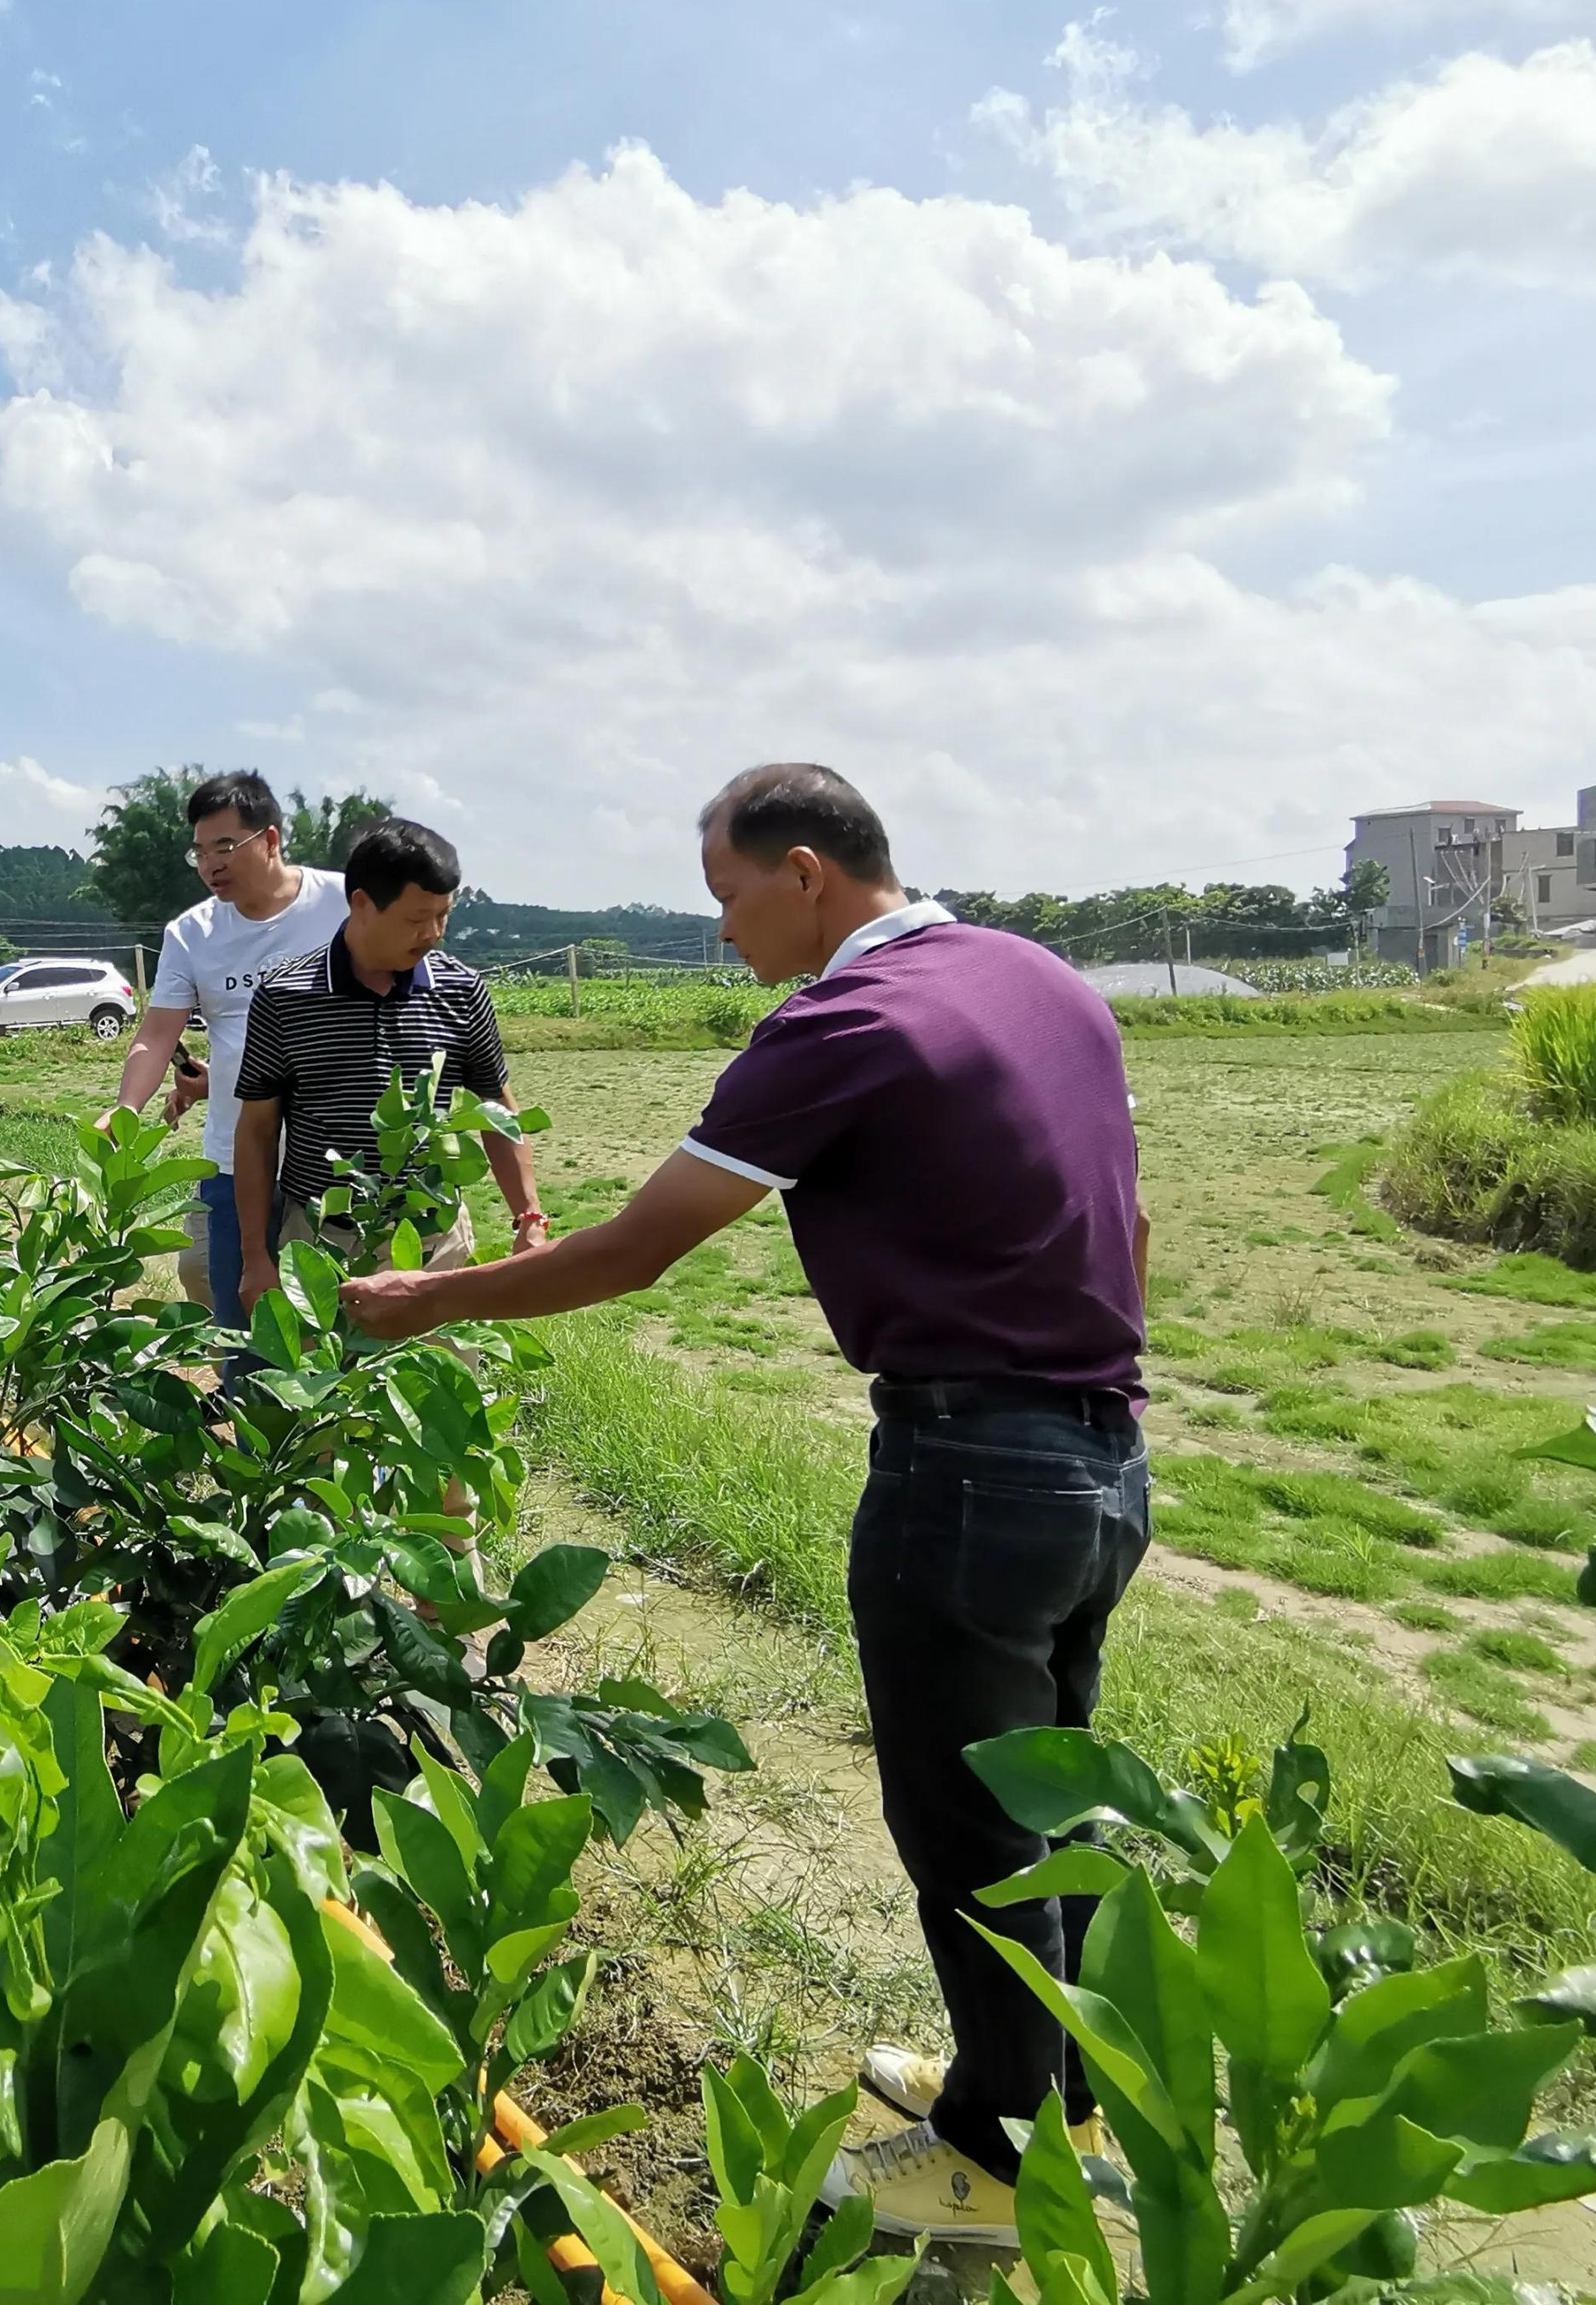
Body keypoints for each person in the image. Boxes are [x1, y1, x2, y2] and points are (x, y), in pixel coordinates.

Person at [337, 764, 1150, 2248]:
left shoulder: (845, 1022)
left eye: (723, 900)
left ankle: (987, 2159)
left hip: (964, 1469)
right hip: (1100, 1460)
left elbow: (642, 1246)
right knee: (1059, 1799)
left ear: (802, 871)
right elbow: (1129, 1213)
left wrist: (428, 1301)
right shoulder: (1043, 983)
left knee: (965, 1823)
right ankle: (1050, 2084)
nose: (721, 935)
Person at [233, 817, 551, 1304]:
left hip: (432, 1246)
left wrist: (529, 1216)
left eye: (443, 915)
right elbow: (256, 1130)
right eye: (416, 918)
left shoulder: (461, 991)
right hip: (322, 1245)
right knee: (326, 1379)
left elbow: (496, 1108)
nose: (434, 933)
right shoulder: (286, 997)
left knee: (437, 1380)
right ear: (362, 903)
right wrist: (256, 1256)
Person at [112, 772, 350, 1327]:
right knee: (237, 1310)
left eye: (225, 846)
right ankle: (243, 1402)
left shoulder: (342, 903)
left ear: (269, 841)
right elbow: (156, 1034)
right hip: (235, 1156)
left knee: (335, 1316)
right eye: (198, 851)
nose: (209, 863)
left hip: (338, 1153)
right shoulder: (191, 934)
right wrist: (125, 1107)